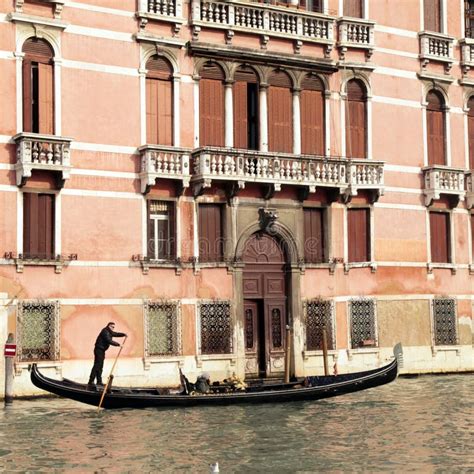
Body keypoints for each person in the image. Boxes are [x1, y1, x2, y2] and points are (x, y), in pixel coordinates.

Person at [88, 322, 127, 386]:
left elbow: (116, 334)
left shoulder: (110, 332)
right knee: (97, 365)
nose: (113, 328)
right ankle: (91, 381)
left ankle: (99, 382)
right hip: (98, 350)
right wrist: (118, 345)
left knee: (100, 366)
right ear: (108, 326)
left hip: (102, 350)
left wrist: (123, 334)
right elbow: (109, 340)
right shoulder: (105, 331)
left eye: (114, 327)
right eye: (112, 327)